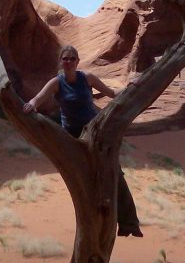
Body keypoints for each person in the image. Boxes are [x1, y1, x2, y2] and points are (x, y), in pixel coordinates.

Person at [23, 45, 143, 237]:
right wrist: (31, 105)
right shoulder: (57, 82)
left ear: (77, 61)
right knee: (85, 179)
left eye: (72, 59)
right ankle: (95, 223)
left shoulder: (87, 78)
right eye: (65, 59)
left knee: (114, 173)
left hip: (95, 132)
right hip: (72, 137)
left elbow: (111, 93)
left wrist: (131, 87)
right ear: (61, 62)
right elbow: (39, 97)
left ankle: (129, 223)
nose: (68, 62)